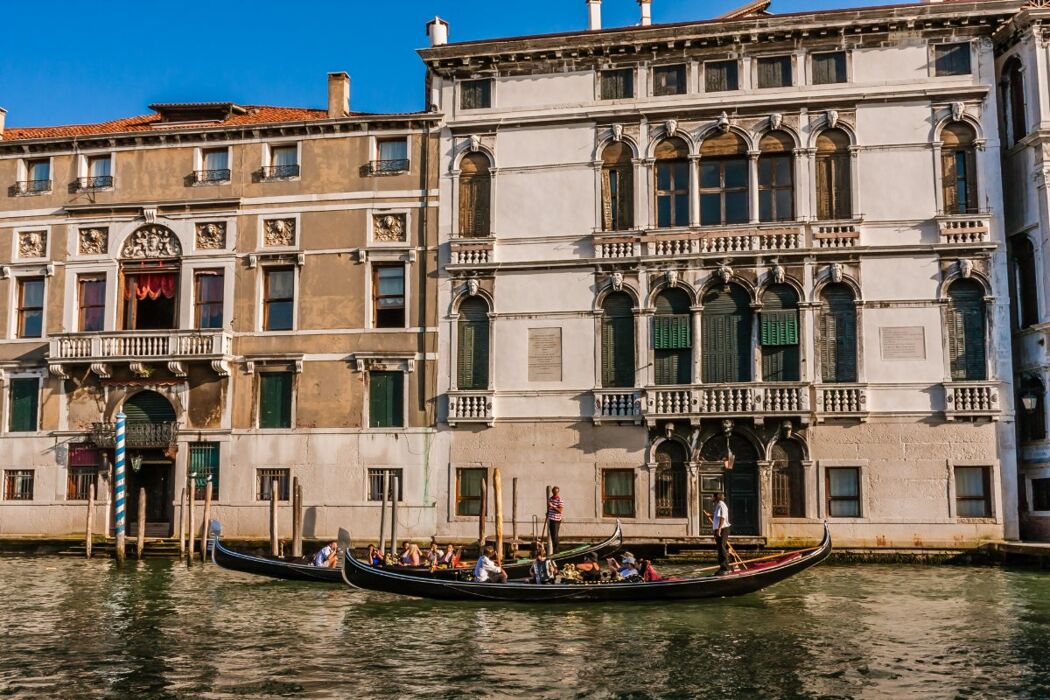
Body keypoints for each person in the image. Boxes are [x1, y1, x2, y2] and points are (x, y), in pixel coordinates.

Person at [712, 492, 732, 574]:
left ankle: (726, 568)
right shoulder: (718, 505)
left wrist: (719, 529)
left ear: (717, 497)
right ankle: (722, 567)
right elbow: (719, 517)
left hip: (723, 529)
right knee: (720, 548)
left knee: (722, 547)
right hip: (719, 529)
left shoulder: (721, 505)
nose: (711, 498)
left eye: (712, 497)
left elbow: (722, 518)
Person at [547, 486, 564, 554]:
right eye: (554, 492)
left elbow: (560, 511)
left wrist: (553, 506)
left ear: (558, 492)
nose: (555, 494)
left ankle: (556, 552)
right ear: (552, 492)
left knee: (555, 536)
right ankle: (555, 551)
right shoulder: (550, 499)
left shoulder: (560, 500)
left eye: (556, 492)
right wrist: (548, 512)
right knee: (552, 536)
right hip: (551, 519)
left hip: (556, 520)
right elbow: (549, 507)